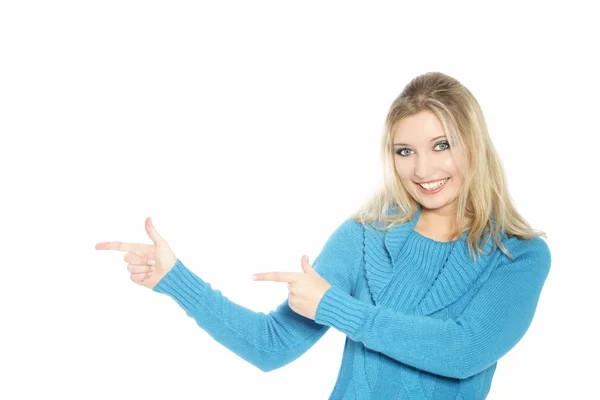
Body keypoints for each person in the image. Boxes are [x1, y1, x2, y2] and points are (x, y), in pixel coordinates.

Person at [95, 71, 551, 399]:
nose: (423, 169)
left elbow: (464, 351)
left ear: (474, 143)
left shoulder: (518, 256)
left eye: (442, 145)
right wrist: (177, 279)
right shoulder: (367, 235)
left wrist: (336, 307)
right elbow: (271, 345)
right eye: (405, 151)